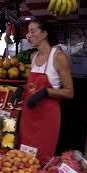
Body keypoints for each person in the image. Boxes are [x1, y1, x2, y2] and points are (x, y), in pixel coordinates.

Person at [18, 20, 74, 164]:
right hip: (29, 116)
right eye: (28, 32)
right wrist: (21, 89)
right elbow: (33, 86)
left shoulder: (58, 57)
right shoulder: (33, 57)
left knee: (42, 159)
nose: (28, 35)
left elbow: (69, 92)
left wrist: (46, 92)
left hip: (47, 118)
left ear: (44, 34)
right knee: (25, 160)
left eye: (32, 31)